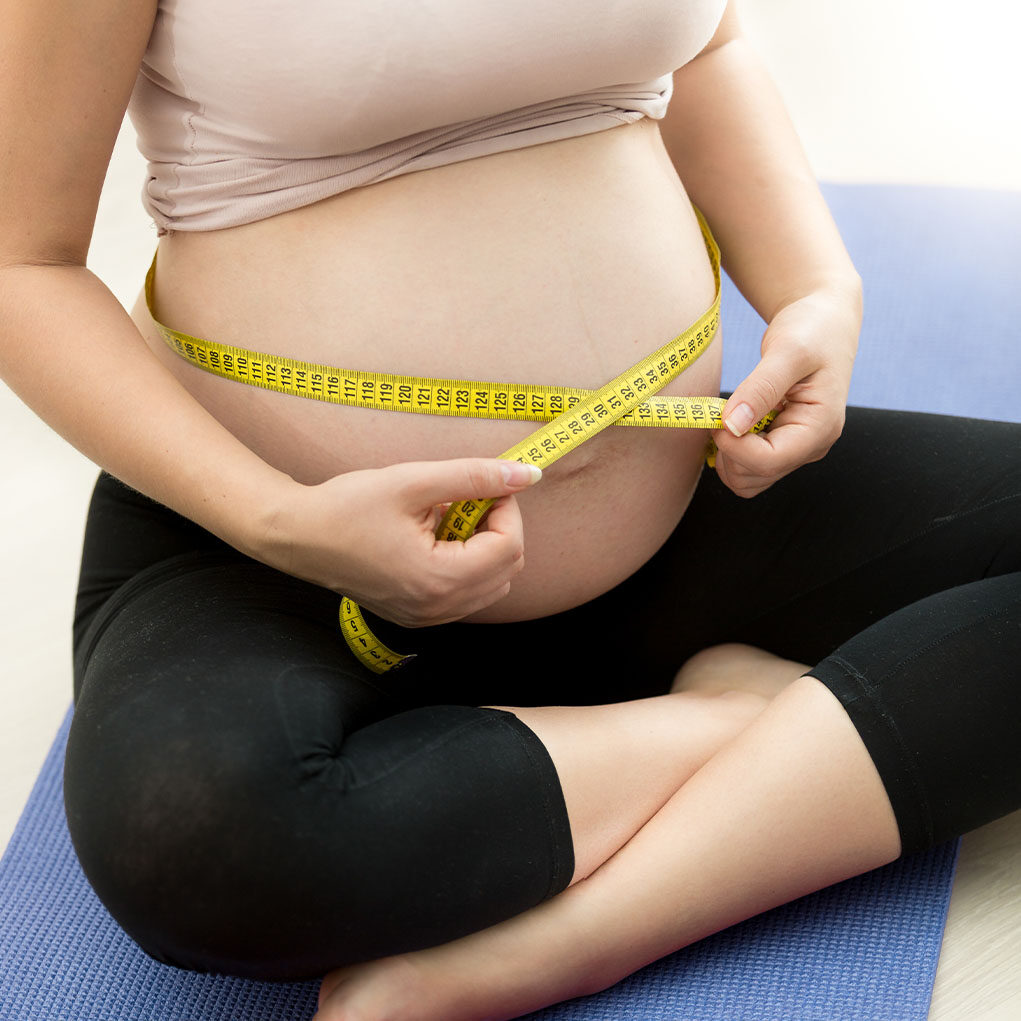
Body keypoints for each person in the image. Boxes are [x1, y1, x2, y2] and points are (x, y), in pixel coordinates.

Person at [1, 1, 1018, 1019]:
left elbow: (705, 46)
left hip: (688, 502)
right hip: (279, 555)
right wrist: (280, 519)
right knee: (196, 844)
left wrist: (814, 286)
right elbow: (19, 262)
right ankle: (758, 730)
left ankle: (576, 937)